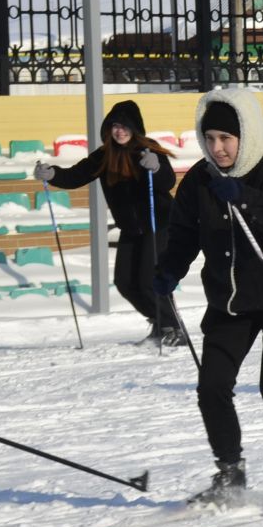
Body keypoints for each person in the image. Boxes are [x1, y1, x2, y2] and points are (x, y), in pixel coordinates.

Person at [151, 87, 263, 515]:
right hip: (231, 300)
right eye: (210, 138)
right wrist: (169, 269)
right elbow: (184, 235)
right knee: (212, 386)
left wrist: (246, 198)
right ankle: (229, 473)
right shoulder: (200, 179)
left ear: (244, 136)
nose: (218, 147)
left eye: (226, 139)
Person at [35, 100, 180, 346]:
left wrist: (155, 169)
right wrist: (53, 174)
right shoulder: (104, 155)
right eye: (115, 126)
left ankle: (173, 328)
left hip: (157, 225)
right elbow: (75, 175)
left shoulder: (148, 150)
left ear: (135, 128)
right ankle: (159, 322)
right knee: (124, 282)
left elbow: (166, 181)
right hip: (131, 229)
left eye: (125, 126)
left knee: (148, 281)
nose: (119, 131)